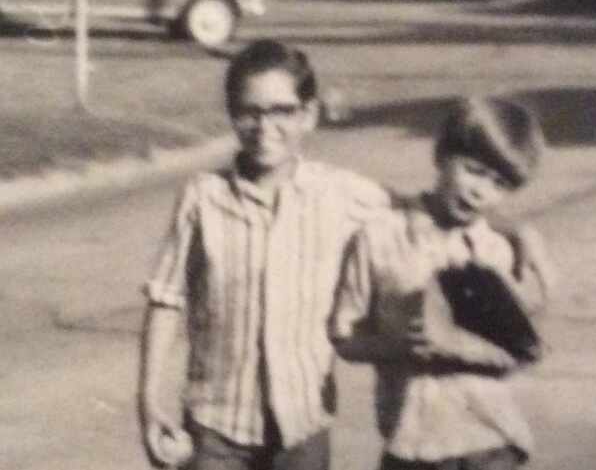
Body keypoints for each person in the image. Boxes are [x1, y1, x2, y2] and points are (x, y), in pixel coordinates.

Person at [137, 39, 390, 470]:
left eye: (281, 110)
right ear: (233, 116)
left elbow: (421, 220)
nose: (263, 125)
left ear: (308, 115)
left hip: (303, 427)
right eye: (248, 111)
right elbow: (166, 298)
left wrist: (511, 236)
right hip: (216, 428)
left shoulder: (345, 196)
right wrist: (147, 398)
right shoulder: (203, 198)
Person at [329, 96, 555, 470]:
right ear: (441, 156)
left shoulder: (498, 252)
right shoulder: (380, 237)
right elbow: (344, 337)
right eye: (473, 170)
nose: (481, 191)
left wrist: (462, 346)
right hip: (410, 444)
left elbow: (523, 350)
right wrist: (396, 344)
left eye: (499, 183)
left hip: (488, 442)